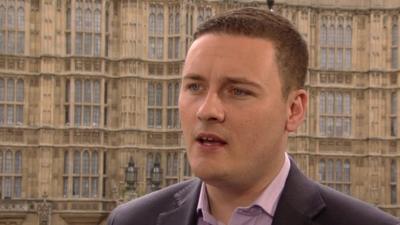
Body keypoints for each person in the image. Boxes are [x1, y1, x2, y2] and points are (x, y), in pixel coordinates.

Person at [107, 7, 400, 225]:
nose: (206, 110)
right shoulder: (130, 220)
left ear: (294, 110)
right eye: (194, 86)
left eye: (238, 92)